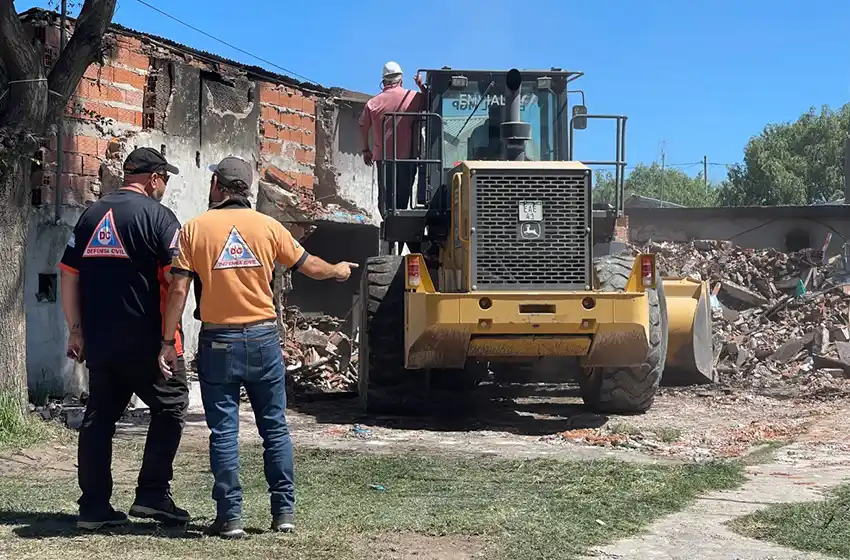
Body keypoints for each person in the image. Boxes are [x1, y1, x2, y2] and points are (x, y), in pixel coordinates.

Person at [157, 156, 358, 539]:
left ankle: (230, 517)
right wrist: (338, 270)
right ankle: (284, 513)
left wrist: (168, 341)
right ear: (245, 188)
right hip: (264, 339)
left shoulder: (194, 229)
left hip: (219, 340)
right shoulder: (268, 227)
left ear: (217, 185)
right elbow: (310, 264)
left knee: (224, 432)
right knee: (275, 429)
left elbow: (179, 289)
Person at [59, 147, 191, 531]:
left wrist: (76, 330)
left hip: (101, 341)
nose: (164, 187)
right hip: (150, 342)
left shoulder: (91, 216)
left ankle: (94, 507)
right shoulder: (159, 218)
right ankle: (151, 495)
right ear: (153, 178)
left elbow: (68, 274)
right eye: (165, 179)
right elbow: (178, 280)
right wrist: (169, 340)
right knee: (170, 406)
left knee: (99, 417)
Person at [359, 61, 428, 218]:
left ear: (383, 81)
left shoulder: (373, 103)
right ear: (401, 80)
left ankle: (388, 221)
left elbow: (363, 125)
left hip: (384, 160)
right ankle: (400, 220)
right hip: (408, 159)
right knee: (403, 198)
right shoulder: (413, 98)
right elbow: (430, 102)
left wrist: (365, 150)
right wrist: (420, 86)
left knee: (386, 199)